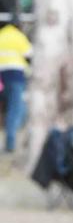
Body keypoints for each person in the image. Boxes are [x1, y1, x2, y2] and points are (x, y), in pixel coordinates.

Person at [0, 16, 31, 153]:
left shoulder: (1, 35)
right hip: (16, 77)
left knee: (7, 110)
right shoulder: (18, 36)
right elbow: (30, 53)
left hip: (1, 78)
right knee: (15, 110)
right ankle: (11, 144)